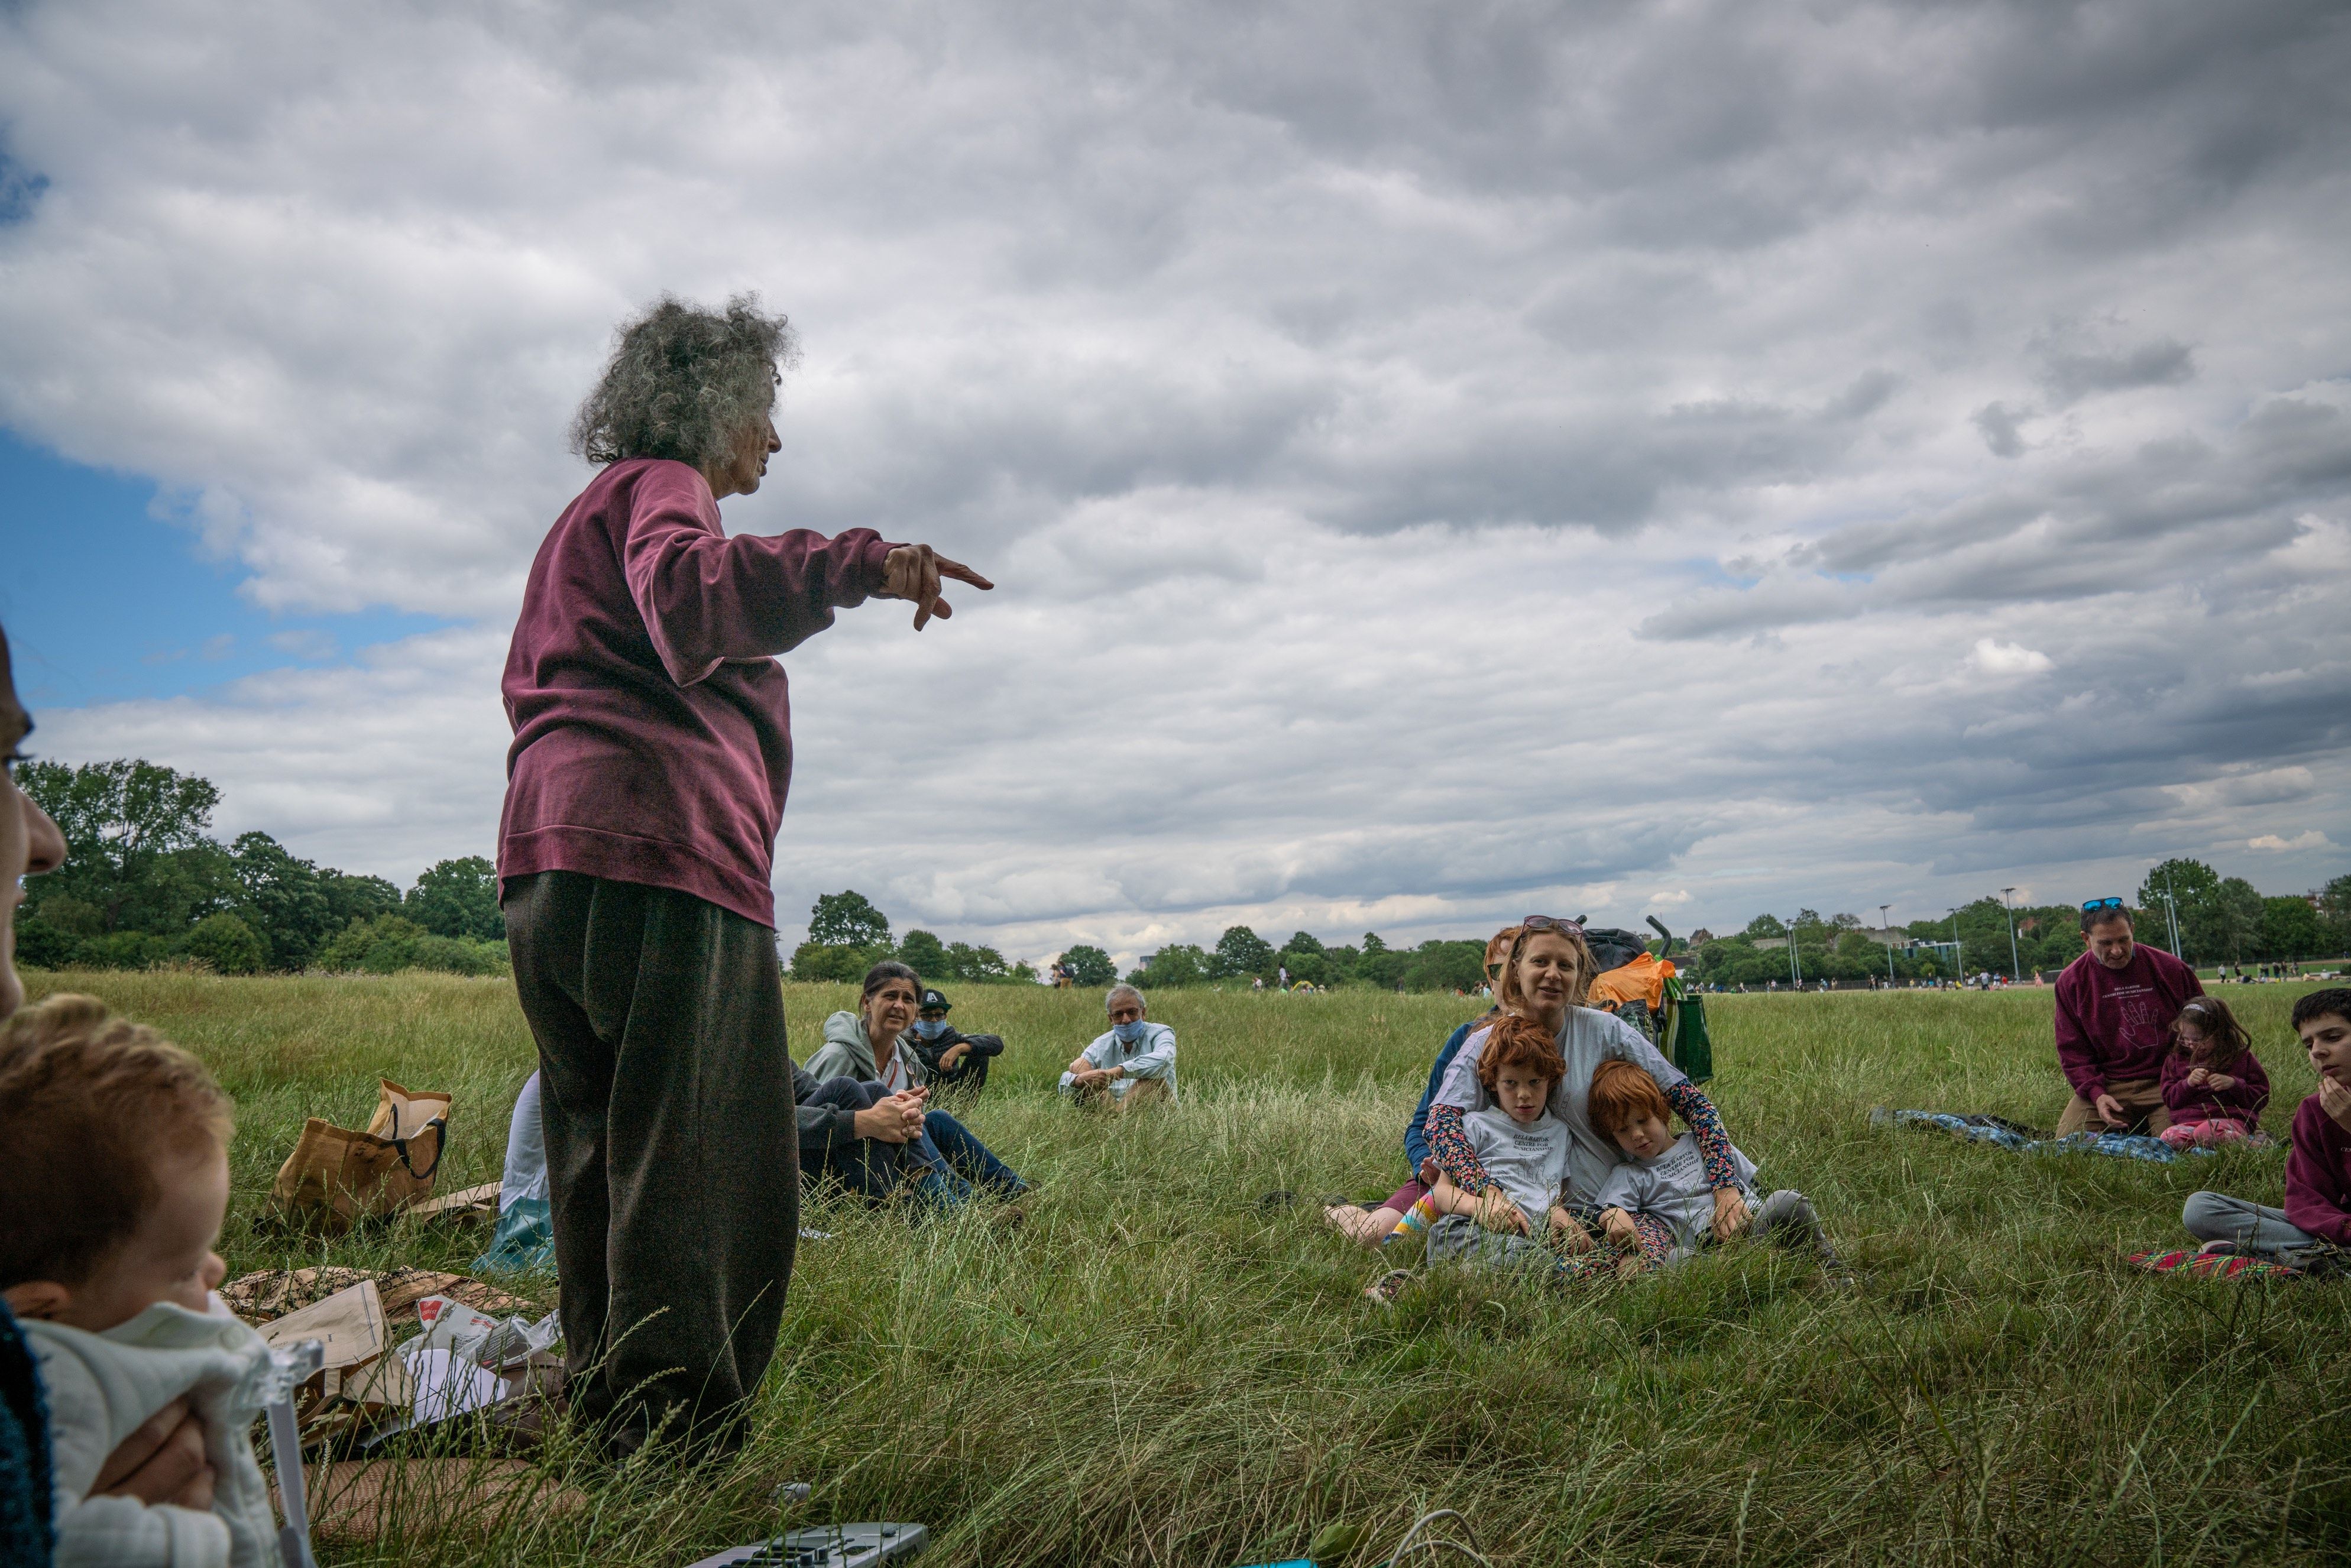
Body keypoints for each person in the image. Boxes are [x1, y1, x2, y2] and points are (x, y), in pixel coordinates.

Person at [496, 294, 992, 1459]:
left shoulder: (583, 519)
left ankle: (608, 1420)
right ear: (706, 405)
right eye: (765, 409)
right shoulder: (661, 485)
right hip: (664, 863)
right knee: (703, 1166)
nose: (773, 438)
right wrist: (863, 563)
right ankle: (671, 1457)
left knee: (598, 1159)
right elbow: (688, 597)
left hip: (549, 869)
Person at [2, 996, 281, 1567]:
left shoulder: (121, 1332)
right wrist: (194, 1546)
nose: (217, 1271)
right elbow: (60, 1539)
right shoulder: (63, 1381)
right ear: (40, 1313)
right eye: (185, 1269)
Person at [1424, 919, 1751, 1252]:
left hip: (1622, 1209)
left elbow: (1695, 1105)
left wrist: (1724, 1187)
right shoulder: (1487, 1043)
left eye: (1566, 965)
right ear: (1515, 970)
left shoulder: (1607, 1031)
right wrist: (1486, 1191)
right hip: (1521, 1214)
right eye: (1540, 961)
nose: (1553, 974)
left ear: (1579, 977)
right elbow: (1440, 1124)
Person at [1324, 926, 1518, 1249]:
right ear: (1489, 979)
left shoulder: (1569, 1037)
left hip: (1526, 1178)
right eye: (1499, 970)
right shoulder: (1467, 1038)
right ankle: (1337, 1210)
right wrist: (1427, 1164)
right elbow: (1421, 1125)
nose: (1510, 980)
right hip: (1450, 1179)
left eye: (1519, 966)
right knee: (1372, 1237)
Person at [804, 963, 1026, 1206]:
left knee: (937, 1119)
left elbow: (993, 1043)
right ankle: (963, 1204)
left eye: (908, 1000)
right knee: (903, 1117)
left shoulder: (910, 1060)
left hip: (895, 1155)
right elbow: (812, 1122)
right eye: (890, 996)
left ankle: (1012, 1188)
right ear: (867, 1003)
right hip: (848, 1162)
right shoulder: (838, 1055)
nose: (899, 1006)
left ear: (914, 1013)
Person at [1586, 1059, 1830, 1272]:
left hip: (1754, 1226)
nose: (1637, 1134)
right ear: (1612, 1137)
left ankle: (1829, 1268)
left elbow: (1757, 1184)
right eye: (1623, 1130)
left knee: (1787, 1200)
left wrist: (1776, 1212)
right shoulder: (1630, 1174)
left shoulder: (1705, 1143)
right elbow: (1606, 1209)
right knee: (1674, 1260)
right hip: (1710, 1251)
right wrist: (1613, 1214)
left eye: (1642, 1120)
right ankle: (1754, 1270)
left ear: (1662, 1112)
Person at [2181, 989, 2351, 1261]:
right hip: (2341, 1227)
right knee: (2201, 1209)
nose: (2318, 1051)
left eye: (2333, 1037)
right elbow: (2306, 1198)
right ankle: (2329, 1252)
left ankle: (2294, 1252)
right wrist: (2338, 1229)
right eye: (2309, 1045)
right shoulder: (2314, 1110)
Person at [1420, 1016, 1582, 1277]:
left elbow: (1556, 1193)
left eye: (1534, 1082)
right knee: (1529, 1264)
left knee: (1559, 1267)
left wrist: (1559, 1212)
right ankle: (1418, 1287)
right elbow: (1442, 1193)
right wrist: (1479, 1207)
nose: (1524, 1095)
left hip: (1531, 1236)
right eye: (1511, 1083)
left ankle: (1459, 1282)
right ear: (1492, 1082)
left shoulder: (1560, 1133)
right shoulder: (1474, 1125)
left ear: (1550, 1080)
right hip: (1467, 1229)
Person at [2052, 900, 2202, 1136]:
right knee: (2069, 1142)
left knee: (2184, 1142)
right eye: (2106, 943)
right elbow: (2073, 1051)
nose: (2117, 950)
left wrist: (2189, 1076)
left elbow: (2206, 1027)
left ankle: (2150, 1123)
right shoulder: (2071, 982)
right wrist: (2096, 1094)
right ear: (2086, 939)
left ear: (2132, 929)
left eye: (2123, 939)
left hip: (2169, 1080)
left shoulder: (2171, 969)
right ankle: (2137, 1123)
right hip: (2109, 1085)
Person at [2156, 996, 2270, 1149]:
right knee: (2169, 1137)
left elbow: (2261, 1097)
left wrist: (2234, 1084)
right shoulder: (2176, 1060)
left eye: (2198, 1039)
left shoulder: (2238, 1057)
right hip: (2189, 1121)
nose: (2191, 1044)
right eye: (2185, 1038)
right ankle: (2215, 1145)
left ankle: (2252, 1145)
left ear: (2219, 1033)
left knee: (2207, 1133)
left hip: (2230, 1119)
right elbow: (2170, 1099)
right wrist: (2187, 1084)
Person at [1061, 984, 1177, 1107]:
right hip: (1109, 1104)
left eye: (1132, 1012)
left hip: (1156, 1111)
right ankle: (1117, 1117)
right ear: (1111, 1018)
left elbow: (1165, 1059)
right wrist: (1079, 1080)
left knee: (1154, 1076)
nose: (1126, 1020)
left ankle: (1117, 1119)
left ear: (1143, 1013)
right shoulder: (1102, 1043)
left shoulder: (1160, 1033)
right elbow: (1065, 1081)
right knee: (1079, 1066)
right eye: (1118, 1014)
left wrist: (1116, 1072)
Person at [904, 987, 1005, 1102]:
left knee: (980, 1051)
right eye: (927, 1016)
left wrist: (959, 1048)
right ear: (915, 1016)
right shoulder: (905, 1040)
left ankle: (964, 1108)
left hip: (951, 1095)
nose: (934, 1020)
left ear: (945, 1017)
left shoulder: (951, 1037)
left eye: (939, 1015)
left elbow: (997, 1043)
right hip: (917, 1097)